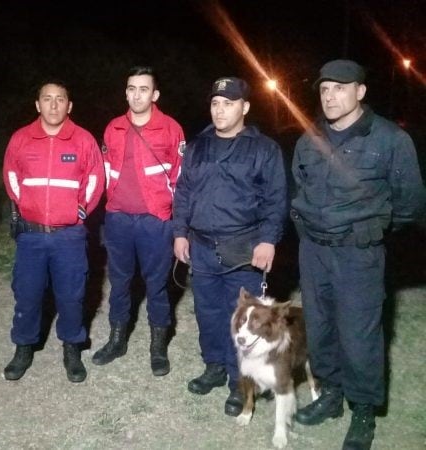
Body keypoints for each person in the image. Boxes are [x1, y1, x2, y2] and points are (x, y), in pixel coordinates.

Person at [291, 59, 425, 450]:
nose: (330, 96)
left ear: (360, 92)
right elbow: (299, 190)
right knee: (320, 327)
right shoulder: (308, 138)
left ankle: (363, 409)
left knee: (359, 335)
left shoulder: (389, 140)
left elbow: (411, 203)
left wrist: (369, 231)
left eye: (340, 88)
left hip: (359, 253)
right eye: (324, 89)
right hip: (314, 250)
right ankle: (331, 395)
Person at [173, 77, 287, 415]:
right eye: (216, 103)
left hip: (243, 249)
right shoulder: (198, 147)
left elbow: (275, 200)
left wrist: (268, 240)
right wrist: (180, 232)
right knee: (207, 313)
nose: (220, 110)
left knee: (242, 321)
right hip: (203, 247)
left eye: (229, 103)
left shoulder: (264, 149)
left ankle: (241, 381)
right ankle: (213, 366)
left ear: (245, 107)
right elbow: (183, 193)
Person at [2, 80, 104, 383]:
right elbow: (11, 177)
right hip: (31, 235)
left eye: (60, 99)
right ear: (38, 105)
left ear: (69, 106)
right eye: (47, 99)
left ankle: (72, 347)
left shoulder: (83, 140)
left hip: (69, 236)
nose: (54, 105)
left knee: (72, 294)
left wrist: (79, 211)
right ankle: (23, 347)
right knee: (27, 293)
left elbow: (96, 180)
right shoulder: (21, 139)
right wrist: (28, 209)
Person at [92, 66, 185, 376]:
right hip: (118, 218)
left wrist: (174, 218)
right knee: (119, 283)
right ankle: (117, 340)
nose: (136, 94)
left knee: (156, 285)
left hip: (155, 222)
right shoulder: (113, 128)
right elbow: (105, 170)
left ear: (155, 94)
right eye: (131, 88)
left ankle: (158, 348)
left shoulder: (171, 129)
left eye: (143, 89)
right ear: (126, 92)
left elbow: (181, 177)